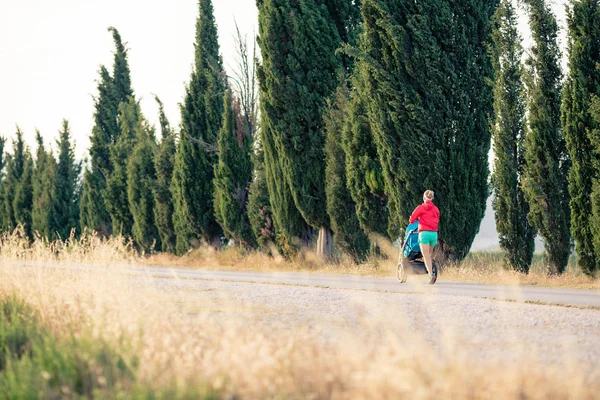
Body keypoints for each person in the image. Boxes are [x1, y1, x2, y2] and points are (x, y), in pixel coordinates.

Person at [409, 190, 440, 284]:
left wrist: (417, 219)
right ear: (432, 199)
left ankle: (431, 275)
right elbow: (437, 219)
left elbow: (411, 219)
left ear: (424, 198)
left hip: (424, 234)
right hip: (434, 234)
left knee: (425, 256)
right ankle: (431, 270)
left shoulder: (420, 208)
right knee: (429, 255)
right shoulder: (436, 209)